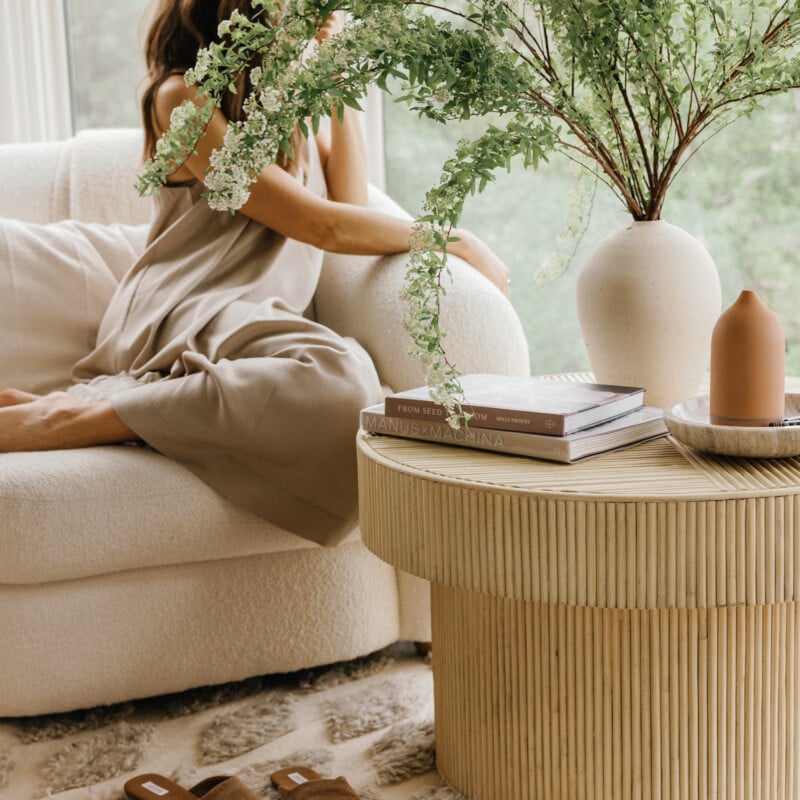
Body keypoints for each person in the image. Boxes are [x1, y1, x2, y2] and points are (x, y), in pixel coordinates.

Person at [0, 0, 510, 545]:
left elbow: (352, 207)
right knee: (342, 379)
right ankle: (84, 418)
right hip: (186, 309)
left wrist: (332, 73)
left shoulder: (292, 113)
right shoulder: (182, 99)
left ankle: (99, 406)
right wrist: (454, 238)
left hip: (251, 323)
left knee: (347, 386)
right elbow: (324, 228)